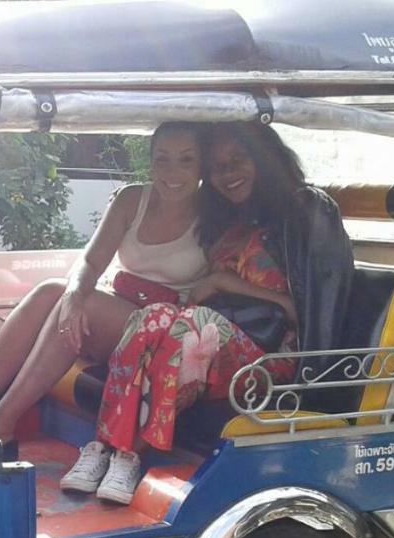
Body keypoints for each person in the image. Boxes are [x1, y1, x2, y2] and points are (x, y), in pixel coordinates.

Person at [62, 122, 354, 503]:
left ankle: (131, 452)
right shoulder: (228, 218)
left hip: (273, 358)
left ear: (263, 157)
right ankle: (106, 450)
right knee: (151, 317)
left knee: (192, 326)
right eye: (218, 167)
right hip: (217, 342)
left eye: (238, 160)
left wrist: (223, 282)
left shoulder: (306, 210)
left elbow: (317, 308)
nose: (228, 174)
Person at [0, 122, 209, 447]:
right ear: (151, 164)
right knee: (51, 291)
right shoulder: (132, 199)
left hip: (165, 329)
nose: (172, 171)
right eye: (163, 159)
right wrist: (74, 296)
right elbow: (90, 261)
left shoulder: (213, 215)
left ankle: (1, 423)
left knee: (88, 305)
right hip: (119, 308)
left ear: (201, 165)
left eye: (186, 160)